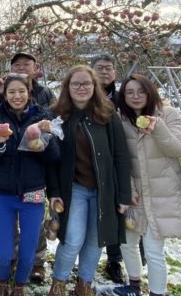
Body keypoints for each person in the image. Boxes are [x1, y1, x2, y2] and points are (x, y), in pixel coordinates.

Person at [47, 65, 131, 296]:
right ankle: (59, 282)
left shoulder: (107, 115)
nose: (81, 88)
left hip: (104, 191)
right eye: (76, 84)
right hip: (74, 190)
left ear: (94, 86)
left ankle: (84, 284)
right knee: (72, 239)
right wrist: (53, 191)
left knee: (96, 241)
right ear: (68, 87)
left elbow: (121, 156)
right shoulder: (58, 116)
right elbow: (51, 159)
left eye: (86, 83)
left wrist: (123, 195)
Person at [112, 74, 181, 296]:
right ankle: (134, 284)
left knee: (153, 249)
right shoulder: (121, 119)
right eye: (129, 92)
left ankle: (158, 292)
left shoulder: (168, 114)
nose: (135, 96)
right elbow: (119, 157)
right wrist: (127, 186)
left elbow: (178, 149)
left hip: (162, 194)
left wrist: (158, 129)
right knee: (127, 243)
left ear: (150, 92)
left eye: (141, 91)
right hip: (134, 193)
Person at [0, 74, 60, 296]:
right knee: (5, 250)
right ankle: (3, 280)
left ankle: (20, 283)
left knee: (27, 250)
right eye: (12, 92)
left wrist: (46, 139)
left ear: (29, 92)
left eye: (21, 91)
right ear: (5, 95)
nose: (17, 96)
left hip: (32, 193)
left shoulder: (43, 116)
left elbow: (54, 157)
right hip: (3, 193)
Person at [89, 55, 127, 283]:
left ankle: (115, 259)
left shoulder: (123, 97)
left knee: (115, 211)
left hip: (116, 160)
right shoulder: (81, 96)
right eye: (99, 68)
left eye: (108, 68)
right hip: (87, 163)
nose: (104, 72)